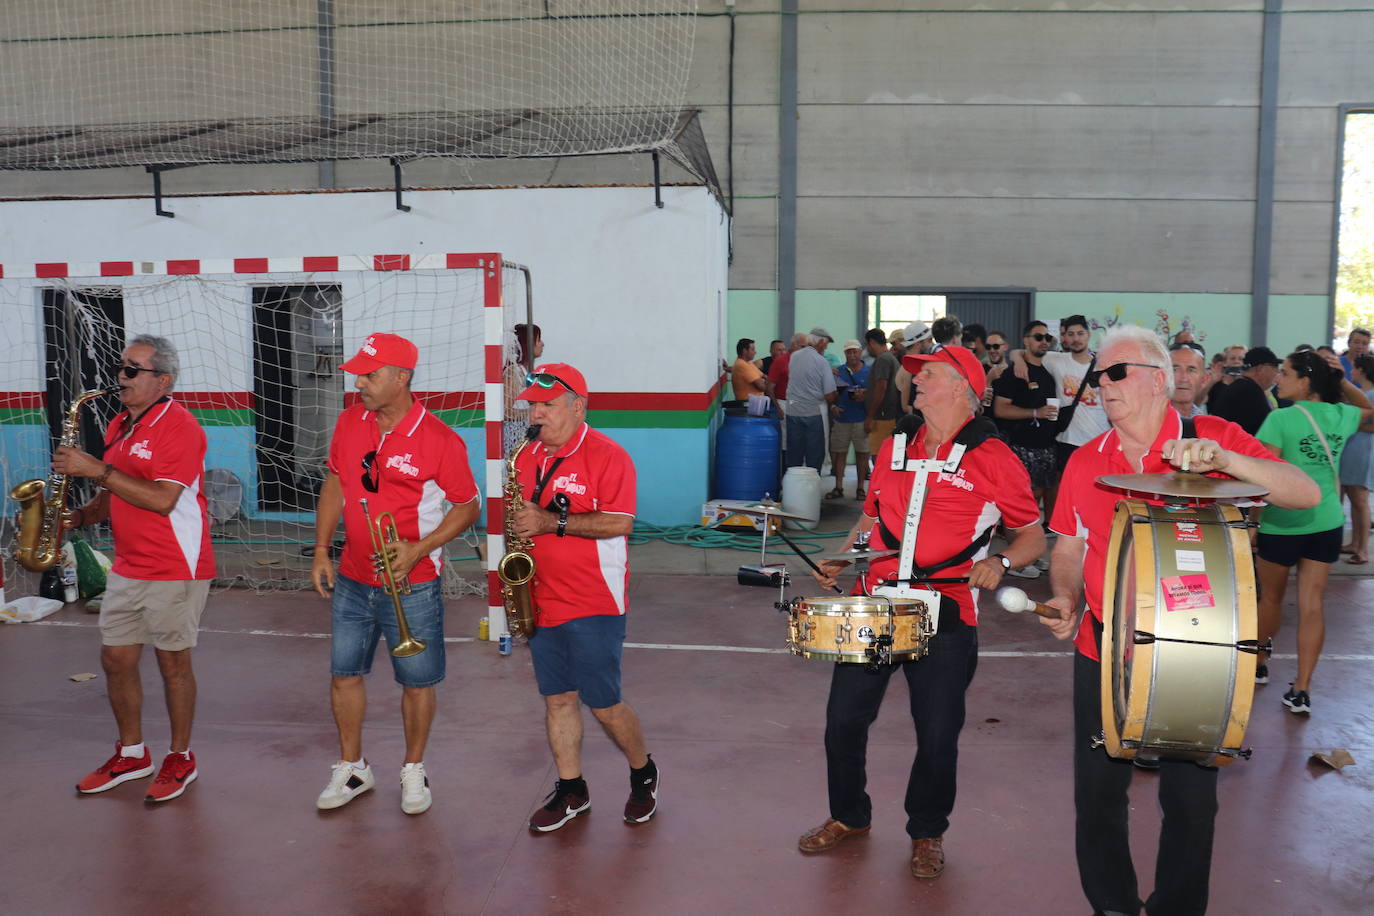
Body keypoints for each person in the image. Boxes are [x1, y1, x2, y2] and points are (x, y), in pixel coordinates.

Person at [1036, 326, 1318, 916]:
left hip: (1199, 655)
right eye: (1097, 377)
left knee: (1192, 801)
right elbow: (1066, 546)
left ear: (1159, 380)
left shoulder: (1213, 437)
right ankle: (1112, 904)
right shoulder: (1087, 459)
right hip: (1103, 648)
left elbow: (1304, 493)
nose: (1101, 386)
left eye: (1115, 373)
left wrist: (1227, 461)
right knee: (1098, 795)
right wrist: (1064, 595)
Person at [801, 346, 1044, 880]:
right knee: (843, 721)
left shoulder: (993, 457)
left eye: (927, 375)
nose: (916, 383)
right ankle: (849, 816)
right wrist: (841, 557)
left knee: (936, 732)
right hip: (877, 601)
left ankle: (927, 831)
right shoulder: (894, 447)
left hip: (949, 612)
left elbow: (1032, 535)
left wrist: (1001, 561)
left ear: (961, 386)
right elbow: (870, 520)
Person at [311, 333, 481, 815]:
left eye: (369, 374)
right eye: (359, 374)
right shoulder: (349, 421)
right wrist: (322, 549)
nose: (358, 383)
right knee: (344, 674)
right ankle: (352, 768)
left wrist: (418, 549)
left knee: (417, 681)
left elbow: (468, 506)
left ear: (401, 378)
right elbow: (336, 483)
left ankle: (413, 769)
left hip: (413, 582)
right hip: (352, 577)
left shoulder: (439, 439)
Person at [59, 334, 216, 803]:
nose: (120, 377)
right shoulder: (120, 424)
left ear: (162, 380)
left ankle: (180, 757)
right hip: (129, 563)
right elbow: (117, 493)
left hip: (175, 564)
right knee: (115, 659)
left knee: (172, 662)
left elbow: (163, 499)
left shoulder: (181, 428)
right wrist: (83, 515)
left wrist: (94, 470)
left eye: (132, 370)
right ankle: (131, 754)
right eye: (122, 367)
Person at [508, 363, 659, 831]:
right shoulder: (526, 456)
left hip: (595, 601)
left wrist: (549, 522)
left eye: (547, 405)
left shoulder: (609, 456)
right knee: (557, 700)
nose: (537, 414)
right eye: (532, 405)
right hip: (542, 597)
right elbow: (524, 520)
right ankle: (572, 789)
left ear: (578, 405)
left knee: (605, 705)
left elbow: (620, 523)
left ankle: (643, 773)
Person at [1254, 350, 1374, 713]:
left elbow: (1264, 478)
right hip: (1326, 523)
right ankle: (1302, 688)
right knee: (1311, 606)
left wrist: (1253, 524)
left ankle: (1258, 664)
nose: (1279, 379)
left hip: (1281, 522)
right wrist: (1342, 383)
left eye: (1286, 374)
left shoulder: (1280, 419)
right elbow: (1371, 410)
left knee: (1270, 599)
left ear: (1305, 381)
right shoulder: (1343, 414)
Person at [992, 320, 1061, 577]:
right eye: (1038, 337)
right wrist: (1036, 412)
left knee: (1035, 507)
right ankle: (1015, 560)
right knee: (1018, 507)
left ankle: (1027, 556)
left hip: (1045, 448)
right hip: (1021, 448)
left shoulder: (1049, 368)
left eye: (1047, 338)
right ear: (1026, 341)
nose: (1044, 341)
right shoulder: (1014, 373)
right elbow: (1000, 409)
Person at [785, 332, 838, 471]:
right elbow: (829, 395)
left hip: (792, 411)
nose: (825, 348)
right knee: (814, 455)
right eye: (825, 344)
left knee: (794, 454)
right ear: (819, 342)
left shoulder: (794, 356)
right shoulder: (821, 361)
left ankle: (793, 488)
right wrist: (835, 399)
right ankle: (811, 489)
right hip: (813, 414)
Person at [1339, 354, 1374, 564]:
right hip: (1355, 448)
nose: (1351, 371)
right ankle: (1354, 543)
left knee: (1360, 499)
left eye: (1353, 368)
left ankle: (1362, 549)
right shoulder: (1364, 394)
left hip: (1362, 449)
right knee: (1354, 498)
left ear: (1361, 370)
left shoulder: (1370, 395)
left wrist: (1353, 425)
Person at [828, 340, 870, 499]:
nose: (852, 355)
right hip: (842, 418)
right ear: (845, 354)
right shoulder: (838, 371)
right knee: (839, 453)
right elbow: (830, 393)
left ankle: (860, 488)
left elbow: (876, 394)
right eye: (849, 352)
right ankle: (838, 486)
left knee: (862, 454)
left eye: (855, 352)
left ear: (860, 352)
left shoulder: (869, 371)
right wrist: (833, 407)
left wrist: (865, 396)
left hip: (861, 418)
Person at [1209, 345, 1280, 435]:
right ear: (1260, 369)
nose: (1276, 374)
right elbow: (1269, 434)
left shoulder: (1239, 388)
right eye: (1274, 368)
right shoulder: (1252, 394)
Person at [504, 323, 545, 452]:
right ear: (528, 344)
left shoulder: (523, 372)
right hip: (515, 438)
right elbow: (506, 412)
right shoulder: (513, 372)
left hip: (526, 434)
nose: (542, 344)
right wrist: (531, 413)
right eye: (538, 340)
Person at [864, 327, 902, 454]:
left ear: (872, 342)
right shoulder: (890, 358)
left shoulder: (883, 359)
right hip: (887, 415)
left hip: (882, 417)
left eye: (867, 345)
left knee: (879, 456)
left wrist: (870, 416)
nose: (867, 349)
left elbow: (881, 387)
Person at [1169, 341, 1208, 419]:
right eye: (1175, 369)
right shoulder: (1149, 419)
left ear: (1203, 380)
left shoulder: (1205, 422)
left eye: (1191, 370)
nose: (1183, 378)